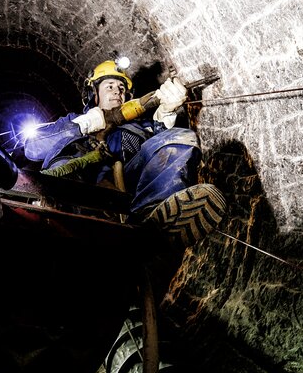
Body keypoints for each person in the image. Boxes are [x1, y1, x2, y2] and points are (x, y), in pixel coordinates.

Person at [22, 59, 227, 247]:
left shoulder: (139, 128)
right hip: (70, 191)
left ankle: (152, 221)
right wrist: (83, 125)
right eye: (109, 86)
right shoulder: (72, 123)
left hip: (126, 195)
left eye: (121, 88)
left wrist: (166, 113)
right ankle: (55, 217)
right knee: (68, 159)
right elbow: (33, 148)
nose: (117, 92)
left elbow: (161, 156)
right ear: (94, 93)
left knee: (181, 137)